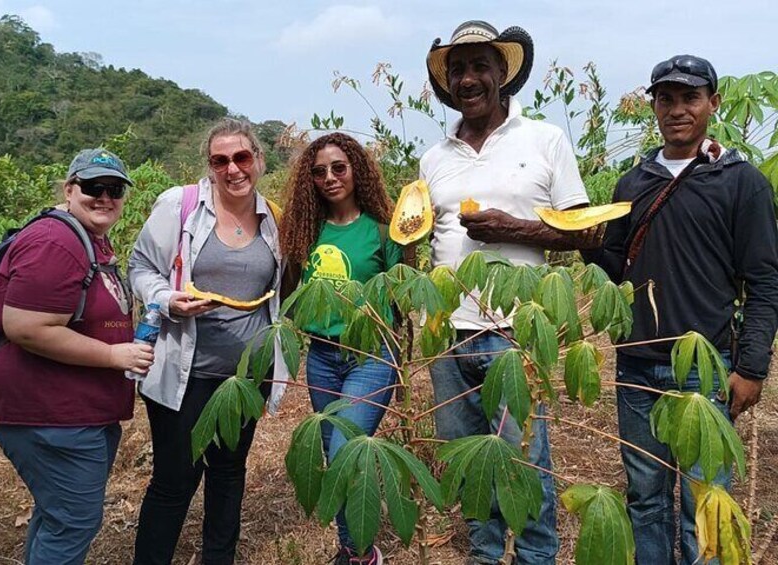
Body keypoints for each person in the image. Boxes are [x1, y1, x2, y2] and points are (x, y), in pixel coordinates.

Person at [582, 55, 778, 564]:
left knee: (705, 503)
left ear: (712, 103)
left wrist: (752, 367)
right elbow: (616, 276)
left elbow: (763, 281)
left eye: (690, 98)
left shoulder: (742, 183)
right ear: (653, 106)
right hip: (638, 364)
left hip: (705, 369)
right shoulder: (633, 184)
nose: (677, 110)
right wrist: (584, 244)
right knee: (645, 496)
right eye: (665, 99)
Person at [421, 20, 599, 564]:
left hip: (516, 330)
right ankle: (482, 551)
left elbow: (586, 229)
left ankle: (536, 555)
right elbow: (426, 234)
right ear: (448, 82)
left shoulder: (545, 139)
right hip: (448, 333)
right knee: (467, 458)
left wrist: (515, 229)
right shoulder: (434, 157)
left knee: (524, 460)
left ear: (503, 73)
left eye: (480, 66)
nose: (468, 78)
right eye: (458, 69)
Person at [128, 117, 288, 565]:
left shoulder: (273, 217)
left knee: (229, 473)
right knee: (175, 479)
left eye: (241, 157)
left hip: (246, 377)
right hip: (186, 374)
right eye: (221, 160)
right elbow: (140, 266)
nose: (232, 169)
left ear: (258, 158)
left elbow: (281, 292)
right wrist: (166, 300)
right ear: (210, 166)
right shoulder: (180, 206)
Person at [0, 148, 147, 565]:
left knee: (58, 517)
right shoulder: (56, 242)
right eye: (93, 187)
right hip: (49, 413)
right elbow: (26, 326)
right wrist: (113, 356)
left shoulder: (85, 238)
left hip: (69, 411)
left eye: (114, 190)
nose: (104, 197)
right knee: (72, 522)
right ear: (70, 189)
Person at [279, 132, 406, 565]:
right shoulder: (304, 231)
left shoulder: (383, 230)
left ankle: (358, 552)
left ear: (357, 169)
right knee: (338, 457)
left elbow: (401, 294)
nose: (329, 178)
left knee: (345, 451)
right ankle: (354, 547)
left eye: (338, 167)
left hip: (370, 356)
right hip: (321, 356)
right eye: (319, 172)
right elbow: (291, 291)